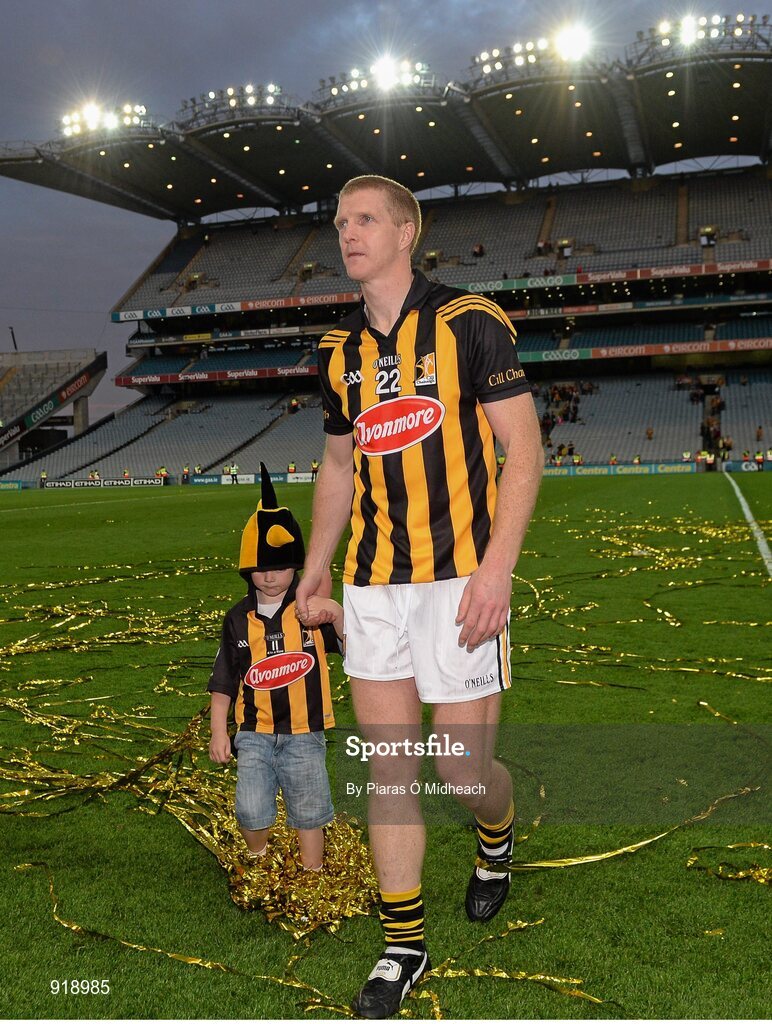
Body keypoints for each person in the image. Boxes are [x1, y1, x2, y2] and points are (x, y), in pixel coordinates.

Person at [295, 174, 542, 1018]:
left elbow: (525, 450)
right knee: (390, 771)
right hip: (371, 586)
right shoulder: (338, 355)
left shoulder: (469, 322)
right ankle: (404, 946)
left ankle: (495, 837)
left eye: (365, 219)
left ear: (407, 232)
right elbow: (336, 467)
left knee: (462, 773)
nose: (347, 232)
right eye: (339, 222)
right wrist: (317, 565)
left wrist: (498, 569)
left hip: (459, 581)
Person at [208, 464, 342, 871]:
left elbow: (352, 646)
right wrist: (219, 731)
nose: (271, 576)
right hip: (254, 735)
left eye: (281, 568)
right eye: (262, 568)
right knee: (250, 809)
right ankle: (259, 857)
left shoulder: (309, 611)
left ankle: (312, 874)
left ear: (297, 567)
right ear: (248, 569)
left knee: (309, 809)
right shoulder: (237, 620)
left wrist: (334, 611)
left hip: (305, 732)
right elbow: (223, 684)